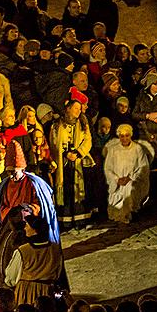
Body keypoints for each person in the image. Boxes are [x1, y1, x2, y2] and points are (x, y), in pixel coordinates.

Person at [0, 140, 61, 311]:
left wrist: (28, 210)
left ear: (22, 168)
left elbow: (40, 204)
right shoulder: (5, 185)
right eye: (9, 172)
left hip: (30, 222)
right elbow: (0, 206)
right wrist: (10, 212)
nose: (12, 175)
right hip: (10, 222)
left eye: (14, 171)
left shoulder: (34, 184)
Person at [49, 95, 93, 226]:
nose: (78, 111)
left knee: (79, 188)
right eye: (75, 108)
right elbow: (54, 142)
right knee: (66, 189)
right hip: (64, 161)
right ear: (68, 109)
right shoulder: (57, 125)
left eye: (80, 109)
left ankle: (80, 219)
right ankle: (66, 220)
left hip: (78, 160)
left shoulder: (83, 124)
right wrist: (65, 154)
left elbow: (88, 140)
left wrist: (79, 153)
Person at [4, 215, 66, 307]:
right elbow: (58, 271)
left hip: (26, 293)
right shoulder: (56, 248)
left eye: (27, 225)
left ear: (35, 230)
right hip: (48, 293)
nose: (25, 228)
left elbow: (11, 276)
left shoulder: (23, 251)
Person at [103, 124, 151, 224]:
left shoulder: (137, 149)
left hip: (133, 180)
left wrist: (130, 178)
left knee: (129, 189)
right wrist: (117, 179)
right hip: (117, 182)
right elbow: (108, 168)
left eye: (127, 135)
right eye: (122, 136)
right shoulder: (113, 150)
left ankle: (131, 212)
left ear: (130, 135)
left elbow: (143, 167)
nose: (124, 138)